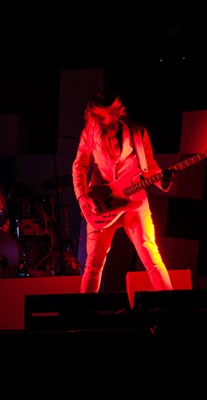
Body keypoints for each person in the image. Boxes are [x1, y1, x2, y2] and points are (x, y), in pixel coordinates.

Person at [72, 93, 176, 293]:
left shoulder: (138, 131)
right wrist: (82, 196)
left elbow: (150, 167)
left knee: (151, 255)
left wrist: (162, 180)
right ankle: (85, 315)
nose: (98, 122)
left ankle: (173, 308)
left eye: (102, 117)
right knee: (93, 264)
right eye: (94, 116)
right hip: (101, 203)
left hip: (134, 200)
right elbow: (79, 167)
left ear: (115, 113)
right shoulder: (89, 133)